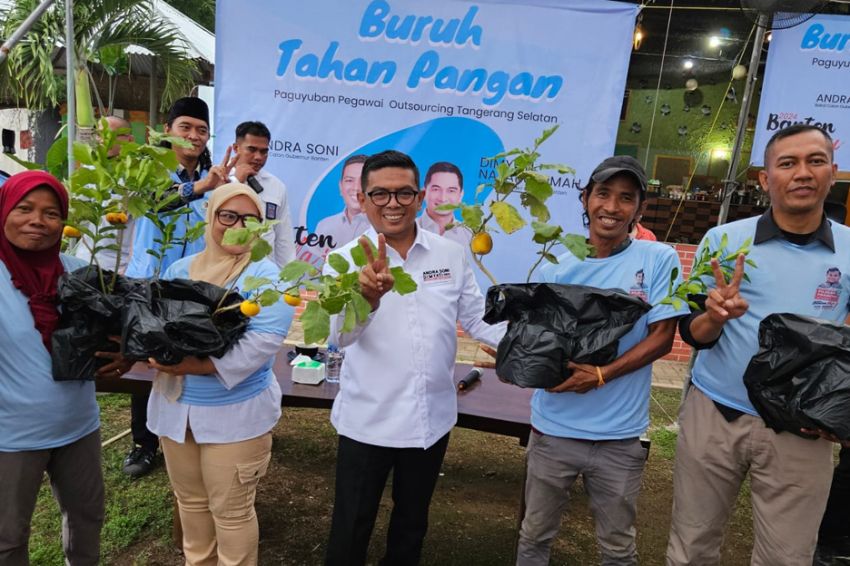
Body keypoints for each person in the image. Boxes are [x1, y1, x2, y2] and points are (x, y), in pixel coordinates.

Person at [666, 124, 850, 566]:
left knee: (787, 557)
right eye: (787, 163)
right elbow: (692, 333)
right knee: (691, 548)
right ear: (766, 180)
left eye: (815, 161)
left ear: (833, 172)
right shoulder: (724, 241)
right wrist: (715, 314)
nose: (802, 173)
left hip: (801, 430)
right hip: (716, 416)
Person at [322, 150, 505, 566]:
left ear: (420, 197)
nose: (393, 203)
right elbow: (339, 336)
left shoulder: (450, 254)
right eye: (380, 194)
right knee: (351, 526)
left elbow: (478, 318)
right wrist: (366, 298)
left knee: (411, 526)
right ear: (363, 199)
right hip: (367, 421)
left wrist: (523, 341)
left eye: (404, 193)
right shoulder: (343, 262)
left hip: (430, 420)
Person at [516, 156, 685, 566]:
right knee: (535, 535)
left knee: (617, 547)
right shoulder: (555, 260)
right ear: (586, 198)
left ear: (640, 209)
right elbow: (541, 339)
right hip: (553, 430)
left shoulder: (659, 259)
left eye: (626, 198)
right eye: (603, 194)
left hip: (619, 437)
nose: (612, 207)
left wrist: (601, 375)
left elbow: (663, 338)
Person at [144, 183, 293, 565]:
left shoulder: (267, 279)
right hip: (176, 412)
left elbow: (255, 350)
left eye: (250, 219)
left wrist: (190, 364)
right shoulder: (180, 270)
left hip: (235, 418)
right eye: (228, 216)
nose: (237, 226)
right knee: (191, 504)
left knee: (231, 512)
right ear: (211, 216)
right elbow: (157, 326)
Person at [0, 171, 106, 564]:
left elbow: (113, 335)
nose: (37, 221)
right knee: (7, 538)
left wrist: (121, 353)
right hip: (10, 437)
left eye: (51, 213)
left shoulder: (78, 272)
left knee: (87, 519)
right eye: (24, 208)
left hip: (78, 427)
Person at [122, 97, 230, 479]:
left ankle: (184, 429)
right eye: (186, 127)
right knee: (145, 359)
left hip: (191, 284)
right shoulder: (148, 166)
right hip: (150, 280)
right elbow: (153, 204)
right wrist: (203, 186)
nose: (194, 135)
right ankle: (143, 444)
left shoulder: (213, 173)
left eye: (201, 129)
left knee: (185, 354)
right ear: (167, 130)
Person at [74, 115, 136, 274]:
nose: (104, 140)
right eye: (100, 135)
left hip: (121, 266)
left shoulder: (137, 174)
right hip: (86, 260)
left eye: (113, 135)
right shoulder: (88, 171)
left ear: (130, 140)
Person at [229, 121, 296, 267]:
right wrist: (236, 182)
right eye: (252, 150)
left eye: (264, 151)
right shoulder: (219, 179)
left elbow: (283, 238)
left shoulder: (276, 186)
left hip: (263, 275)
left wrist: (287, 284)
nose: (258, 157)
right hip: (226, 272)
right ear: (236, 148)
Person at [315, 154, 370, 251]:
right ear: (341, 186)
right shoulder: (324, 225)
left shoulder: (384, 227)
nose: (356, 188)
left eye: (363, 180)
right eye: (349, 180)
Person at [417, 161, 471, 248]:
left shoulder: (470, 236)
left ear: (461, 195)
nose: (443, 198)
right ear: (424, 193)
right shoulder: (405, 231)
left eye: (451, 190)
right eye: (436, 189)